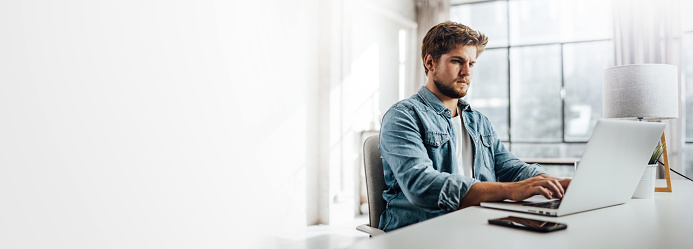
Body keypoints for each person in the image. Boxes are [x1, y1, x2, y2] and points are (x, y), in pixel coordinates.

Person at [378, 21, 571, 232]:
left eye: (471, 63)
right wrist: (510, 190)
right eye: (457, 61)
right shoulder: (403, 116)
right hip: (422, 233)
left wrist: (550, 181)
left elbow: (510, 168)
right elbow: (421, 185)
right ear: (430, 62)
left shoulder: (478, 121)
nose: (466, 72)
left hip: (477, 227)